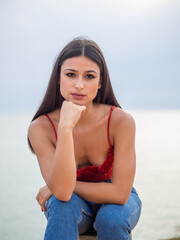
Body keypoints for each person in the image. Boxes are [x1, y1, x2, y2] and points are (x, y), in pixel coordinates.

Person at [28, 37, 142, 240]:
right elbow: (62, 193)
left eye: (89, 76)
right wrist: (65, 127)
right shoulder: (41, 128)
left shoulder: (120, 121)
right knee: (61, 204)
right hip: (73, 205)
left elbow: (120, 194)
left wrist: (53, 186)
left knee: (111, 218)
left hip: (118, 203)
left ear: (100, 83)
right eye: (71, 74)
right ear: (58, 78)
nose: (79, 85)